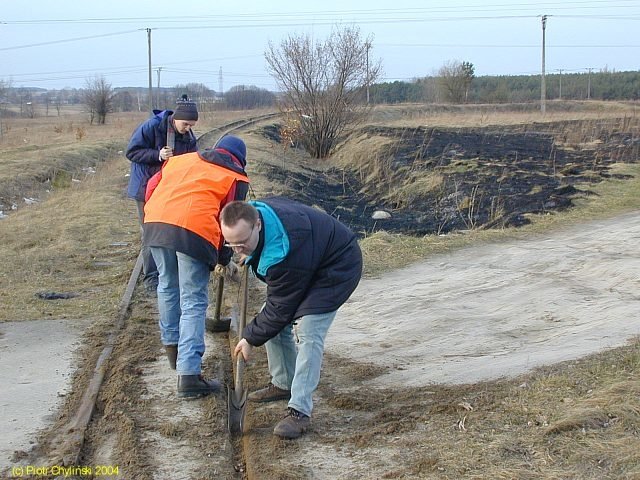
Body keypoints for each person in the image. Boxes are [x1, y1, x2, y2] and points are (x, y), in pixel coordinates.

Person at [220, 197, 363, 438]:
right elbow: (276, 309)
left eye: (242, 243)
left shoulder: (281, 251)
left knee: (308, 330)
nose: (237, 251)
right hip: (309, 258)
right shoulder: (254, 212)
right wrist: (246, 251)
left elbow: (279, 310)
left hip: (336, 265)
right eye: (231, 244)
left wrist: (249, 338)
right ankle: (284, 382)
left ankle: (299, 411)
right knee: (271, 321)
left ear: (257, 225)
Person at [143, 135, 250, 399]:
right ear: (240, 160)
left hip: (155, 222)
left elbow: (151, 187)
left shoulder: (182, 160)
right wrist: (224, 258)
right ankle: (189, 375)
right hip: (194, 230)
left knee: (167, 286)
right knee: (193, 299)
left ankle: (174, 351)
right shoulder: (234, 175)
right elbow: (230, 220)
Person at [125, 94, 199, 294]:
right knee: (150, 233)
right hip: (145, 188)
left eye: (191, 125)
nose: (188, 129)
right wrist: (157, 155)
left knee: (170, 231)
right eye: (185, 124)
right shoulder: (151, 127)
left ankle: (169, 273)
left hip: (170, 190)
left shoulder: (189, 137)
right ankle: (151, 277)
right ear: (175, 118)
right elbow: (132, 152)